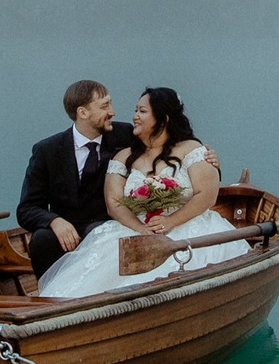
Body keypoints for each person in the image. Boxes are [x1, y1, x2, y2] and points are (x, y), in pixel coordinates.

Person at [35, 87, 245, 300]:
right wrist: (141, 229)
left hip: (186, 223)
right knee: (94, 275)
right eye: (135, 110)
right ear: (82, 112)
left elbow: (207, 195)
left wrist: (171, 221)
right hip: (136, 227)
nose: (134, 116)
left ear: (162, 119)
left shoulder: (191, 149)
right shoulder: (123, 155)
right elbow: (114, 202)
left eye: (142, 111)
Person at [15, 80, 136, 277]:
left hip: (109, 226)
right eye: (104, 106)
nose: (112, 112)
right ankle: (50, 299)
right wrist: (54, 221)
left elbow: (165, 141)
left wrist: (199, 152)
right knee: (41, 240)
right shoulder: (47, 151)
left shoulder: (125, 135)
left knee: (100, 233)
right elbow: (27, 208)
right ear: (83, 113)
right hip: (67, 230)